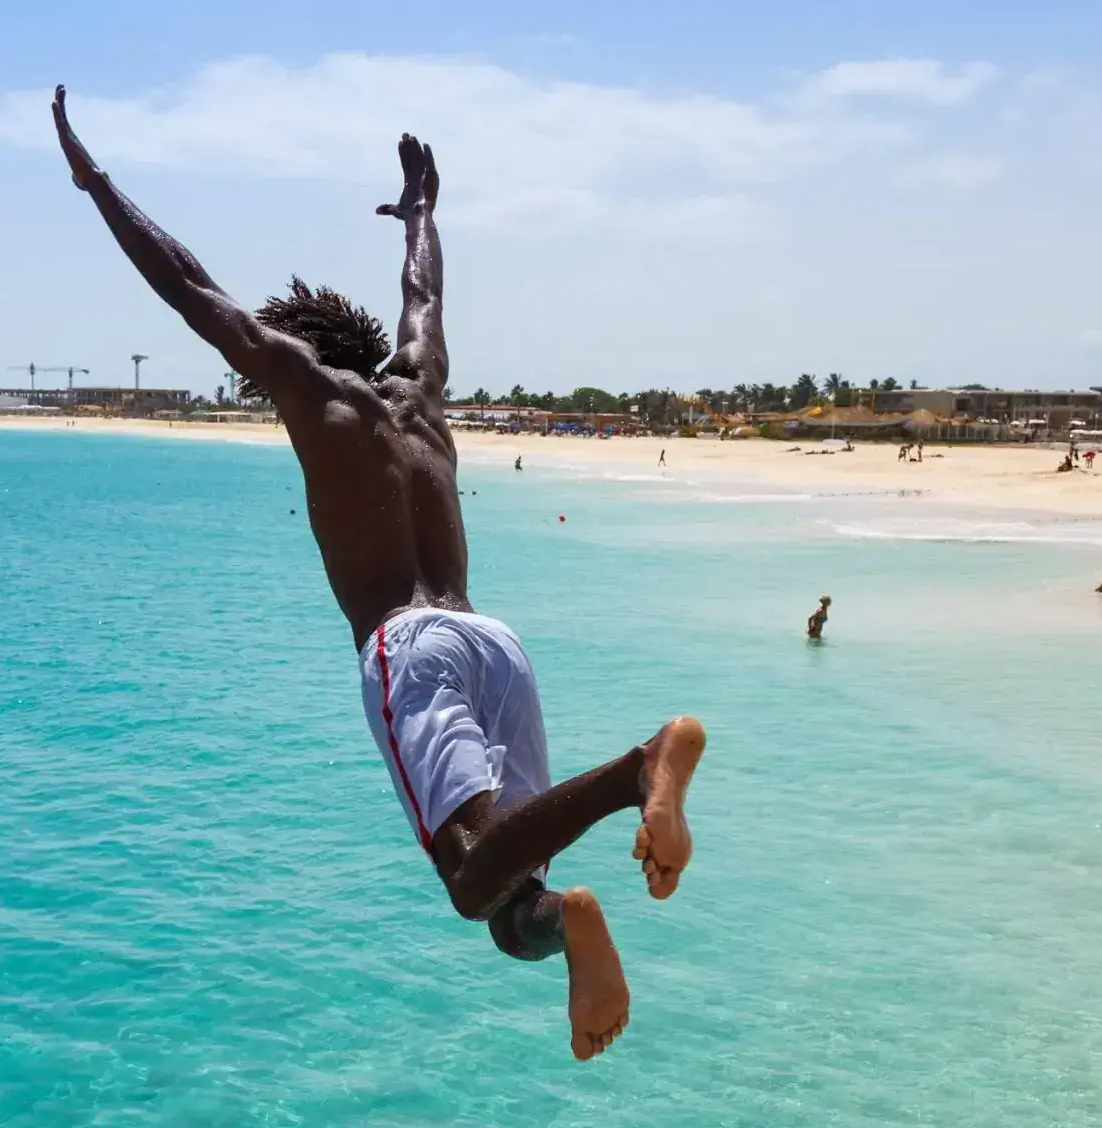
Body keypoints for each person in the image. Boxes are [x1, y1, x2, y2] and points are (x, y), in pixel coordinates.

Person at [54, 90, 703, 1062]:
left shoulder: (311, 391)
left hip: (412, 646)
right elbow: (424, 299)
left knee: (467, 876)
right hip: (495, 643)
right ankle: (575, 909)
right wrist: (421, 214)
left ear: (291, 351)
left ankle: (637, 767)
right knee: (509, 904)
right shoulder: (420, 393)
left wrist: (96, 183)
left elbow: (190, 290)